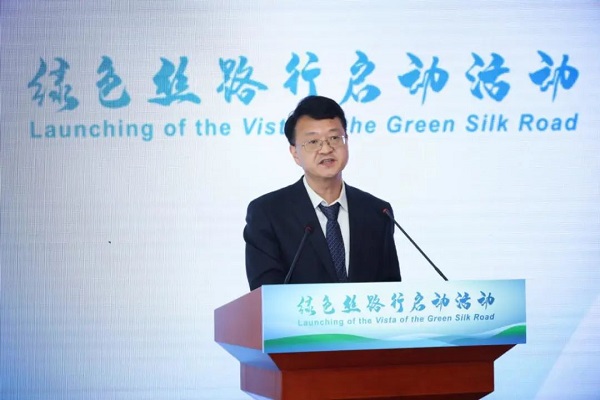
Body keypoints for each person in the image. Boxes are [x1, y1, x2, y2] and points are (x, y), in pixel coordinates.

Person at [244, 95, 401, 290]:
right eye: (313, 141)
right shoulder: (268, 213)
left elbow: (390, 292)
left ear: (346, 141)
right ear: (295, 153)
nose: (326, 149)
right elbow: (265, 296)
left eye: (334, 138)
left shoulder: (378, 212)